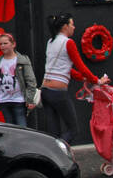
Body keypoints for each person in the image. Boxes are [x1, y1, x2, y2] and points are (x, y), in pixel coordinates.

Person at [41, 13, 108, 143]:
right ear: (65, 26)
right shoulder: (68, 43)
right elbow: (81, 66)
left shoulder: (51, 42)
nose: (74, 27)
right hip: (58, 93)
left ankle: (54, 158)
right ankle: (60, 153)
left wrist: (83, 78)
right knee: (73, 130)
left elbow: (67, 69)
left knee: (54, 133)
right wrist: (97, 81)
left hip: (45, 91)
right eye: (72, 24)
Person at [0, 32, 37, 126]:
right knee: (9, 126)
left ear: (13, 44)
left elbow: (31, 80)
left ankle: (23, 141)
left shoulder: (22, 60)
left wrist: (30, 99)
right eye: (0, 44)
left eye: (5, 43)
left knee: (21, 125)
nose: (3, 46)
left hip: (18, 100)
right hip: (3, 100)